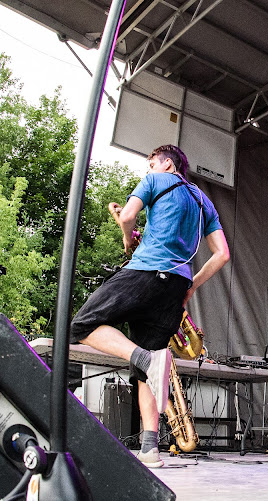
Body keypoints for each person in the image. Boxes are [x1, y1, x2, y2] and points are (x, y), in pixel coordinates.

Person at [70, 145, 229, 467]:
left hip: (146, 272)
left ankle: (144, 358)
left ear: (167, 163)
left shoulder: (155, 180)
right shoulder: (203, 200)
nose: (149, 167)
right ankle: (150, 449)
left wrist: (128, 238)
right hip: (176, 286)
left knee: (80, 325)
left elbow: (128, 216)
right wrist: (191, 286)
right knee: (146, 373)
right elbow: (222, 254)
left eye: (152, 162)